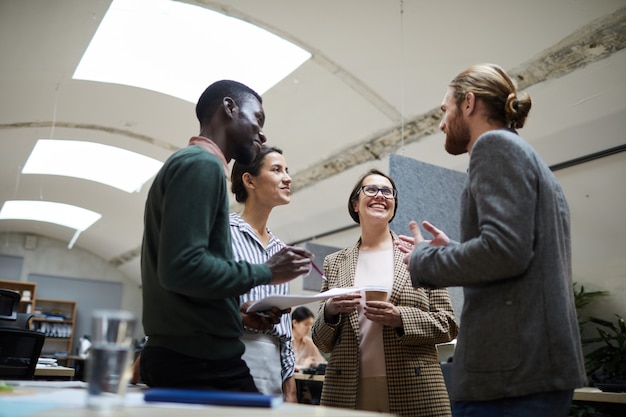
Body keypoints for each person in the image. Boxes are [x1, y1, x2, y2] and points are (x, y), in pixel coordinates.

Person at [397, 63, 587, 417]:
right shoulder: (523, 154)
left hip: (510, 374)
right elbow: (513, 251)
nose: (441, 123)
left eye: (445, 110)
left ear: (468, 103)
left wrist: (425, 259)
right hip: (529, 369)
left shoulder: (493, 146)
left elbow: (503, 252)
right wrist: (455, 251)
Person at [139, 80, 313, 391]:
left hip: (183, 354)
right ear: (229, 108)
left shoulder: (190, 163)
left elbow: (186, 284)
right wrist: (267, 271)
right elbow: (182, 268)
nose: (262, 134)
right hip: (200, 359)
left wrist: (235, 314)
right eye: (257, 119)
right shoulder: (202, 165)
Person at [311, 168, 459, 417]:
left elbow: (449, 325)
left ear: (393, 204)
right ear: (355, 203)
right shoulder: (335, 262)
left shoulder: (417, 253)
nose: (380, 195)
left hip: (414, 385)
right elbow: (322, 340)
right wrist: (330, 310)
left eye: (387, 191)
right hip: (347, 387)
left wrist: (400, 318)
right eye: (371, 189)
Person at [230, 145, 297, 401]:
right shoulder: (222, 233)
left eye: (287, 170)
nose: (288, 177)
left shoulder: (281, 250)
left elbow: (286, 334)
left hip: (272, 368)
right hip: (228, 356)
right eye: (277, 170)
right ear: (249, 180)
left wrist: (289, 388)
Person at [291, 306, 326, 370]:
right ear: (294, 323)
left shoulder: (309, 342)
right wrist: (303, 367)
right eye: (306, 324)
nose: (309, 328)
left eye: (311, 324)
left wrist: (316, 363)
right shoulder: (284, 341)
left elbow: (322, 362)